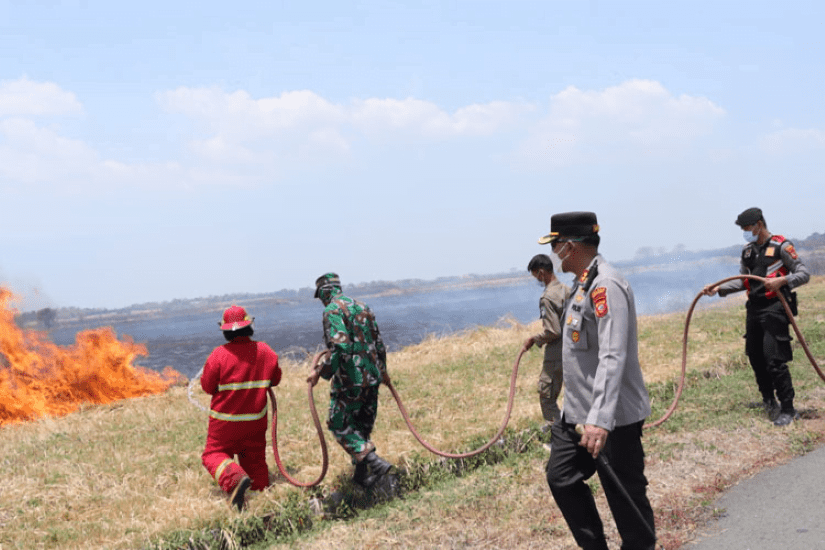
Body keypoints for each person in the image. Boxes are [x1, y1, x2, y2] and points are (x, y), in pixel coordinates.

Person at [538, 212, 656, 550]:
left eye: (556, 245)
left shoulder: (606, 285)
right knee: (561, 478)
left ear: (570, 246)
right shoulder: (582, 283)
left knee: (625, 498)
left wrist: (600, 420)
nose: (554, 253)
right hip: (576, 414)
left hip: (611, 417)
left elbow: (612, 355)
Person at [703, 207, 810, 427]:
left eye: (747, 228)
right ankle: (769, 400)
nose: (745, 232)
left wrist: (782, 281)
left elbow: (803, 273)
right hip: (754, 309)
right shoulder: (748, 251)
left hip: (776, 308)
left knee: (775, 359)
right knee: (755, 355)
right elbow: (744, 280)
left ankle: (788, 409)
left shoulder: (781, 246)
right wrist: (718, 288)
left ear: (759, 225)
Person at [308, 273, 393, 487]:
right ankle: (362, 476)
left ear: (325, 292)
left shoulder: (332, 311)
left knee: (339, 424)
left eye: (321, 297)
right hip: (372, 377)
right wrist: (383, 371)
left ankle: (376, 463)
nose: (322, 302)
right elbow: (379, 343)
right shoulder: (362, 306)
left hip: (351, 380)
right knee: (360, 428)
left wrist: (320, 372)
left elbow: (340, 346)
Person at [201, 305, 282, 511]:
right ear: (249, 326)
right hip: (255, 422)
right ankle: (260, 498)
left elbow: (207, 386)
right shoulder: (265, 351)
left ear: (226, 331)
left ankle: (234, 478)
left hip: (224, 423)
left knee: (214, 454)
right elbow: (276, 378)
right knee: (254, 460)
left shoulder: (219, 354)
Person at [522, 254, 570, 431]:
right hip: (573, 350)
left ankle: (559, 437)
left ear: (541, 272)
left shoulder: (547, 298)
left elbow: (553, 331)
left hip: (556, 355)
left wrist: (535, 339)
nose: (537, 280)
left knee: (546, 395)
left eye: (536, 276)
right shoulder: (567, 290)